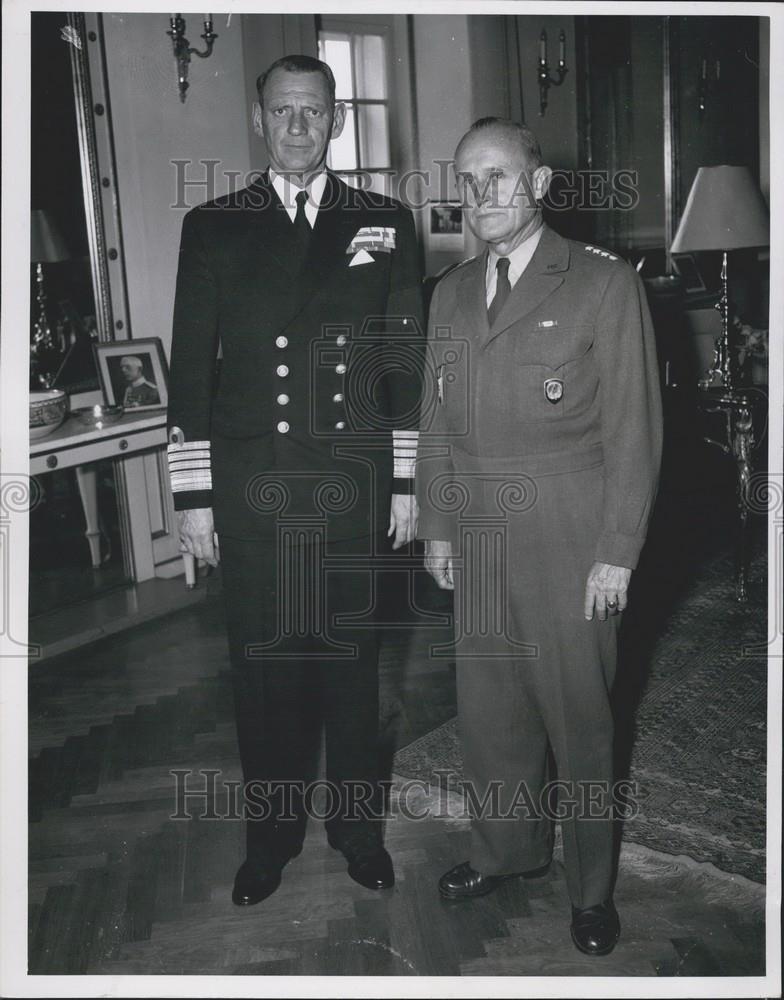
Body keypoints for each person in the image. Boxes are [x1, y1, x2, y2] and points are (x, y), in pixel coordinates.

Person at [167, 54, 424, 907]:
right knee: (264, 674)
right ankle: (270, 842)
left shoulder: (382, 220)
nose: (298, 126)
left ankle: (357, 834)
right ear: (259, 120)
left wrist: (406, 483)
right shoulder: (214, 225)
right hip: (252, 486)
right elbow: (191, 376)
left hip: (350, 481)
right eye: (283, 111)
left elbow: (403, 361)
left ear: (337, 120)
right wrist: (195, 499)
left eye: (314, 111)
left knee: (351, 672)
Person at [415, 117, 662, 956]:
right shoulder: (448, 291)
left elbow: (636, 431)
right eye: (467, 179)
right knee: (491, 715)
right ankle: (505, 851)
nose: (480, 195)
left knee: (580, 720)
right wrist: (440, 527)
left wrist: (616, 551)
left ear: (541, 184)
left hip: (569, 533)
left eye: (498, 176)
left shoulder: (599, 283)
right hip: (479, 534)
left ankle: (592, 891)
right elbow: (438, 421)